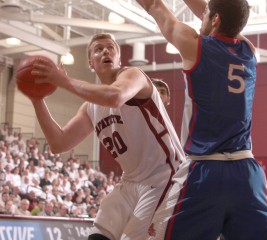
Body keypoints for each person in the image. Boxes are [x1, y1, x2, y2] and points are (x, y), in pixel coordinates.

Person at [136, 0, 267, 239]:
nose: (201, 16)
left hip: (205, 170)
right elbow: (228, 17)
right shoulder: (250, 53)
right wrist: (217, 11)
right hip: (247, 173)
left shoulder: (195, 46)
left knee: (155, 233)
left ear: (215, 19)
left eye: (207, 14)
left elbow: (154, 5)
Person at [27, 33, 185, 240]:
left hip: (165, 177)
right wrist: (37, 100)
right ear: (91, 63)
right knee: (97, 236)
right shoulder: (90, 108)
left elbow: (115, 96)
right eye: (98, 49)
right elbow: (59, 143)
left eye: (110, 47)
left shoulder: (133, 75)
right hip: (130, 183)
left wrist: (64, 81)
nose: (105, 51)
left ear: (119, 59)